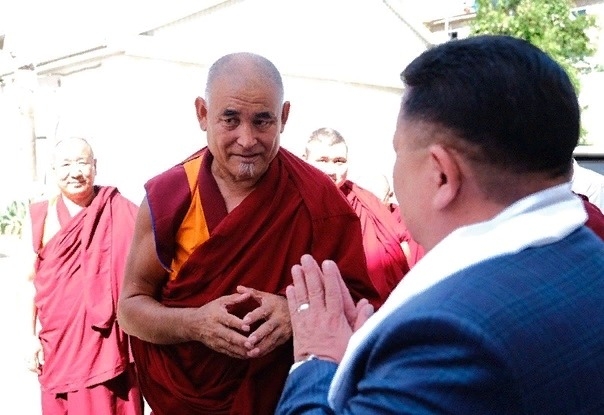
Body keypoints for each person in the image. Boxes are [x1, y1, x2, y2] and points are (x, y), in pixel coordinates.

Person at [276, 35, 604, 414]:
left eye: (398, 151)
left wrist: (316, 358)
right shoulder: (591, 257)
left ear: (441, 175)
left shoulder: (448, 333)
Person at [116, 52, 381, 415]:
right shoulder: (170, 196)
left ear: (284, 117)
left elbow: (360, 305)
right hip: (184, 399)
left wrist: (294, 313)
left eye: (262, 121)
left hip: (283, 399)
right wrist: (195, 324)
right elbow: (131, 308)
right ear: (202, 114)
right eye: (230, 119)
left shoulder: (319, 200)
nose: (247, 139)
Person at [22, 137, 143, 414]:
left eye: (82, 162)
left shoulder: (119, 210)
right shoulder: (40, 217)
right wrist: (29, 338)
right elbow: (29, 283)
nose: (75, 172)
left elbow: (151, 267)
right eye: (65, 164)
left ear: (95, 166)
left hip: (108, 346)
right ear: (53, 169)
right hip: (60, 344)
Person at [303, 127, 411, 299]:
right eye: (322, 160)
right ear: (305, 159)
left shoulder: (364, 200)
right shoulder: (292, 197)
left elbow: (400, 245)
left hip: (366, 299)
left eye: (339, 161)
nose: (331, 170)